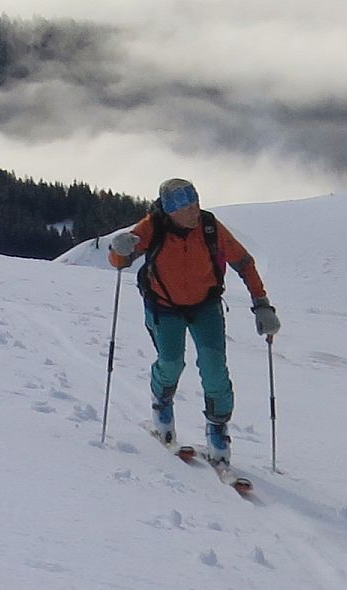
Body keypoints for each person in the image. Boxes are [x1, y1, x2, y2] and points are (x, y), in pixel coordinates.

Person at [105, 178, 279, 465]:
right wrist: (118, 250)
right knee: (171, 362)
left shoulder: (210, 227)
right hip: (163, 306)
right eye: (186, 207)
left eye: (195, 203)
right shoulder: (151, 227)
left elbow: (243, 261)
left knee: (214, 369)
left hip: (205, 305)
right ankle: (162, 405)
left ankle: (217, 432)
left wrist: (261, 304)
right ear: (170, 210)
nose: (194, 211)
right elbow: (120, 261)